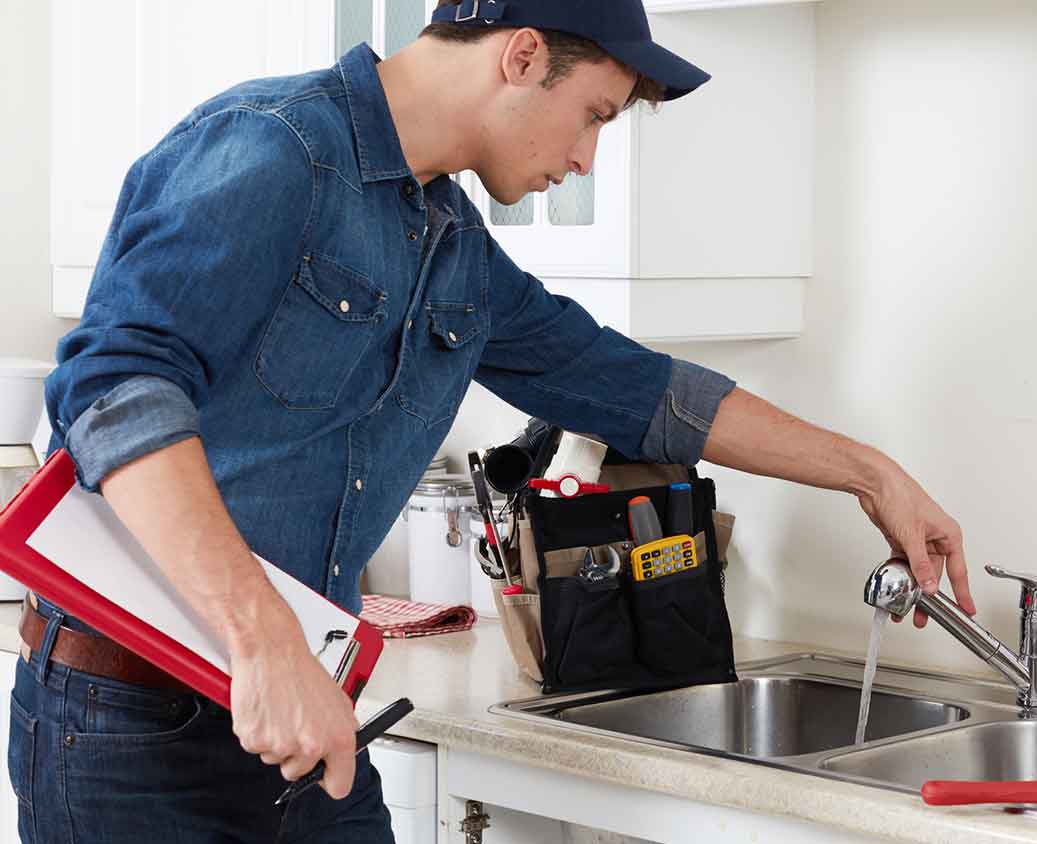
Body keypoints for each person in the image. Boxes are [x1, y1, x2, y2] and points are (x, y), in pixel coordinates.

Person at [12, 1, 974, 840]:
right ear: (520, 57)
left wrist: (870, 472)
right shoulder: (274, 149)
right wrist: (264, 644)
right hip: (129, 725)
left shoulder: (452, 247)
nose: (588, 155)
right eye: (593, 114)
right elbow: (114, 389)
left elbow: (639, 390)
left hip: (305, 720)